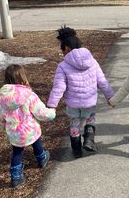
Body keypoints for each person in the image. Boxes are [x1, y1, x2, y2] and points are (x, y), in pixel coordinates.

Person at [47, 26, 114, 158]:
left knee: (75, 124)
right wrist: (110, 97)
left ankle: (76, 150)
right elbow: (102, 81)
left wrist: (52, 105)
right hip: (89, 102)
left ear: (66, 48)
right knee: (90, 119)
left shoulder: (63, 66)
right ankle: (89, 139)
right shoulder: (92, 62)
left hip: (73, 104)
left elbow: (58, 87)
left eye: (62, 51)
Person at [0, 64, 56, 189]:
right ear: (23, 77)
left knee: (17, 152)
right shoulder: (29, 95)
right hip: (29, 129)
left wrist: (3, 125)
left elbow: (1, 114)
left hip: (14, 132)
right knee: (36, 142)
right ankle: (41, 158)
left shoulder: (4, 98)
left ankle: (16, 178)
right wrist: (52, 113)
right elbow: (41, 112)